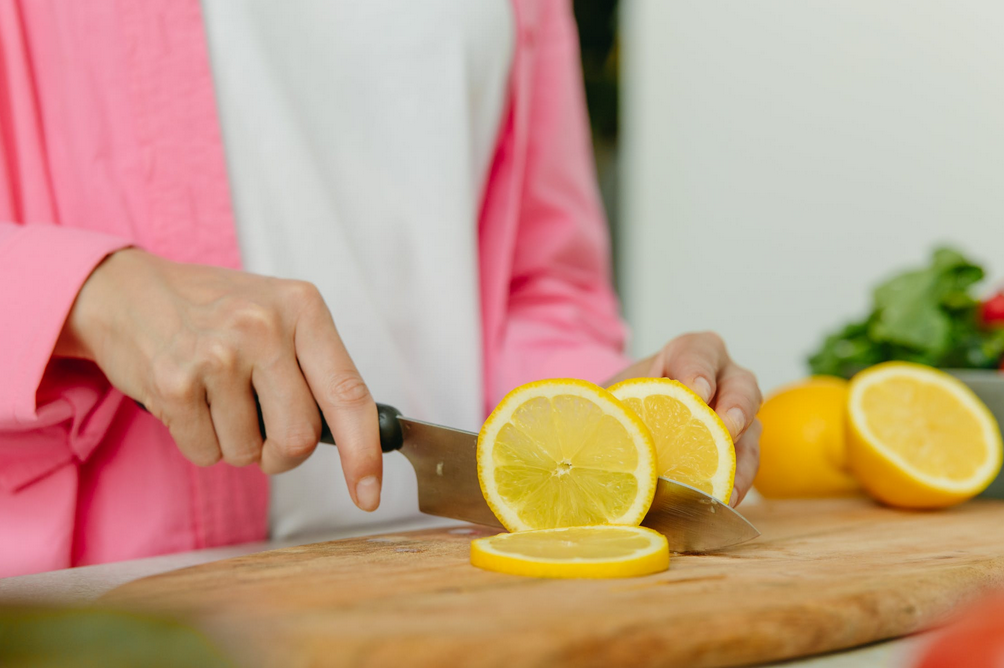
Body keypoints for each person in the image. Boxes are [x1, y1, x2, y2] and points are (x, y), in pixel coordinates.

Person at [0, 0, 762, 578]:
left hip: (430, 590)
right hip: (102, 609)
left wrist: (595, 419)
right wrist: (90, 295)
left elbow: (540, 285)